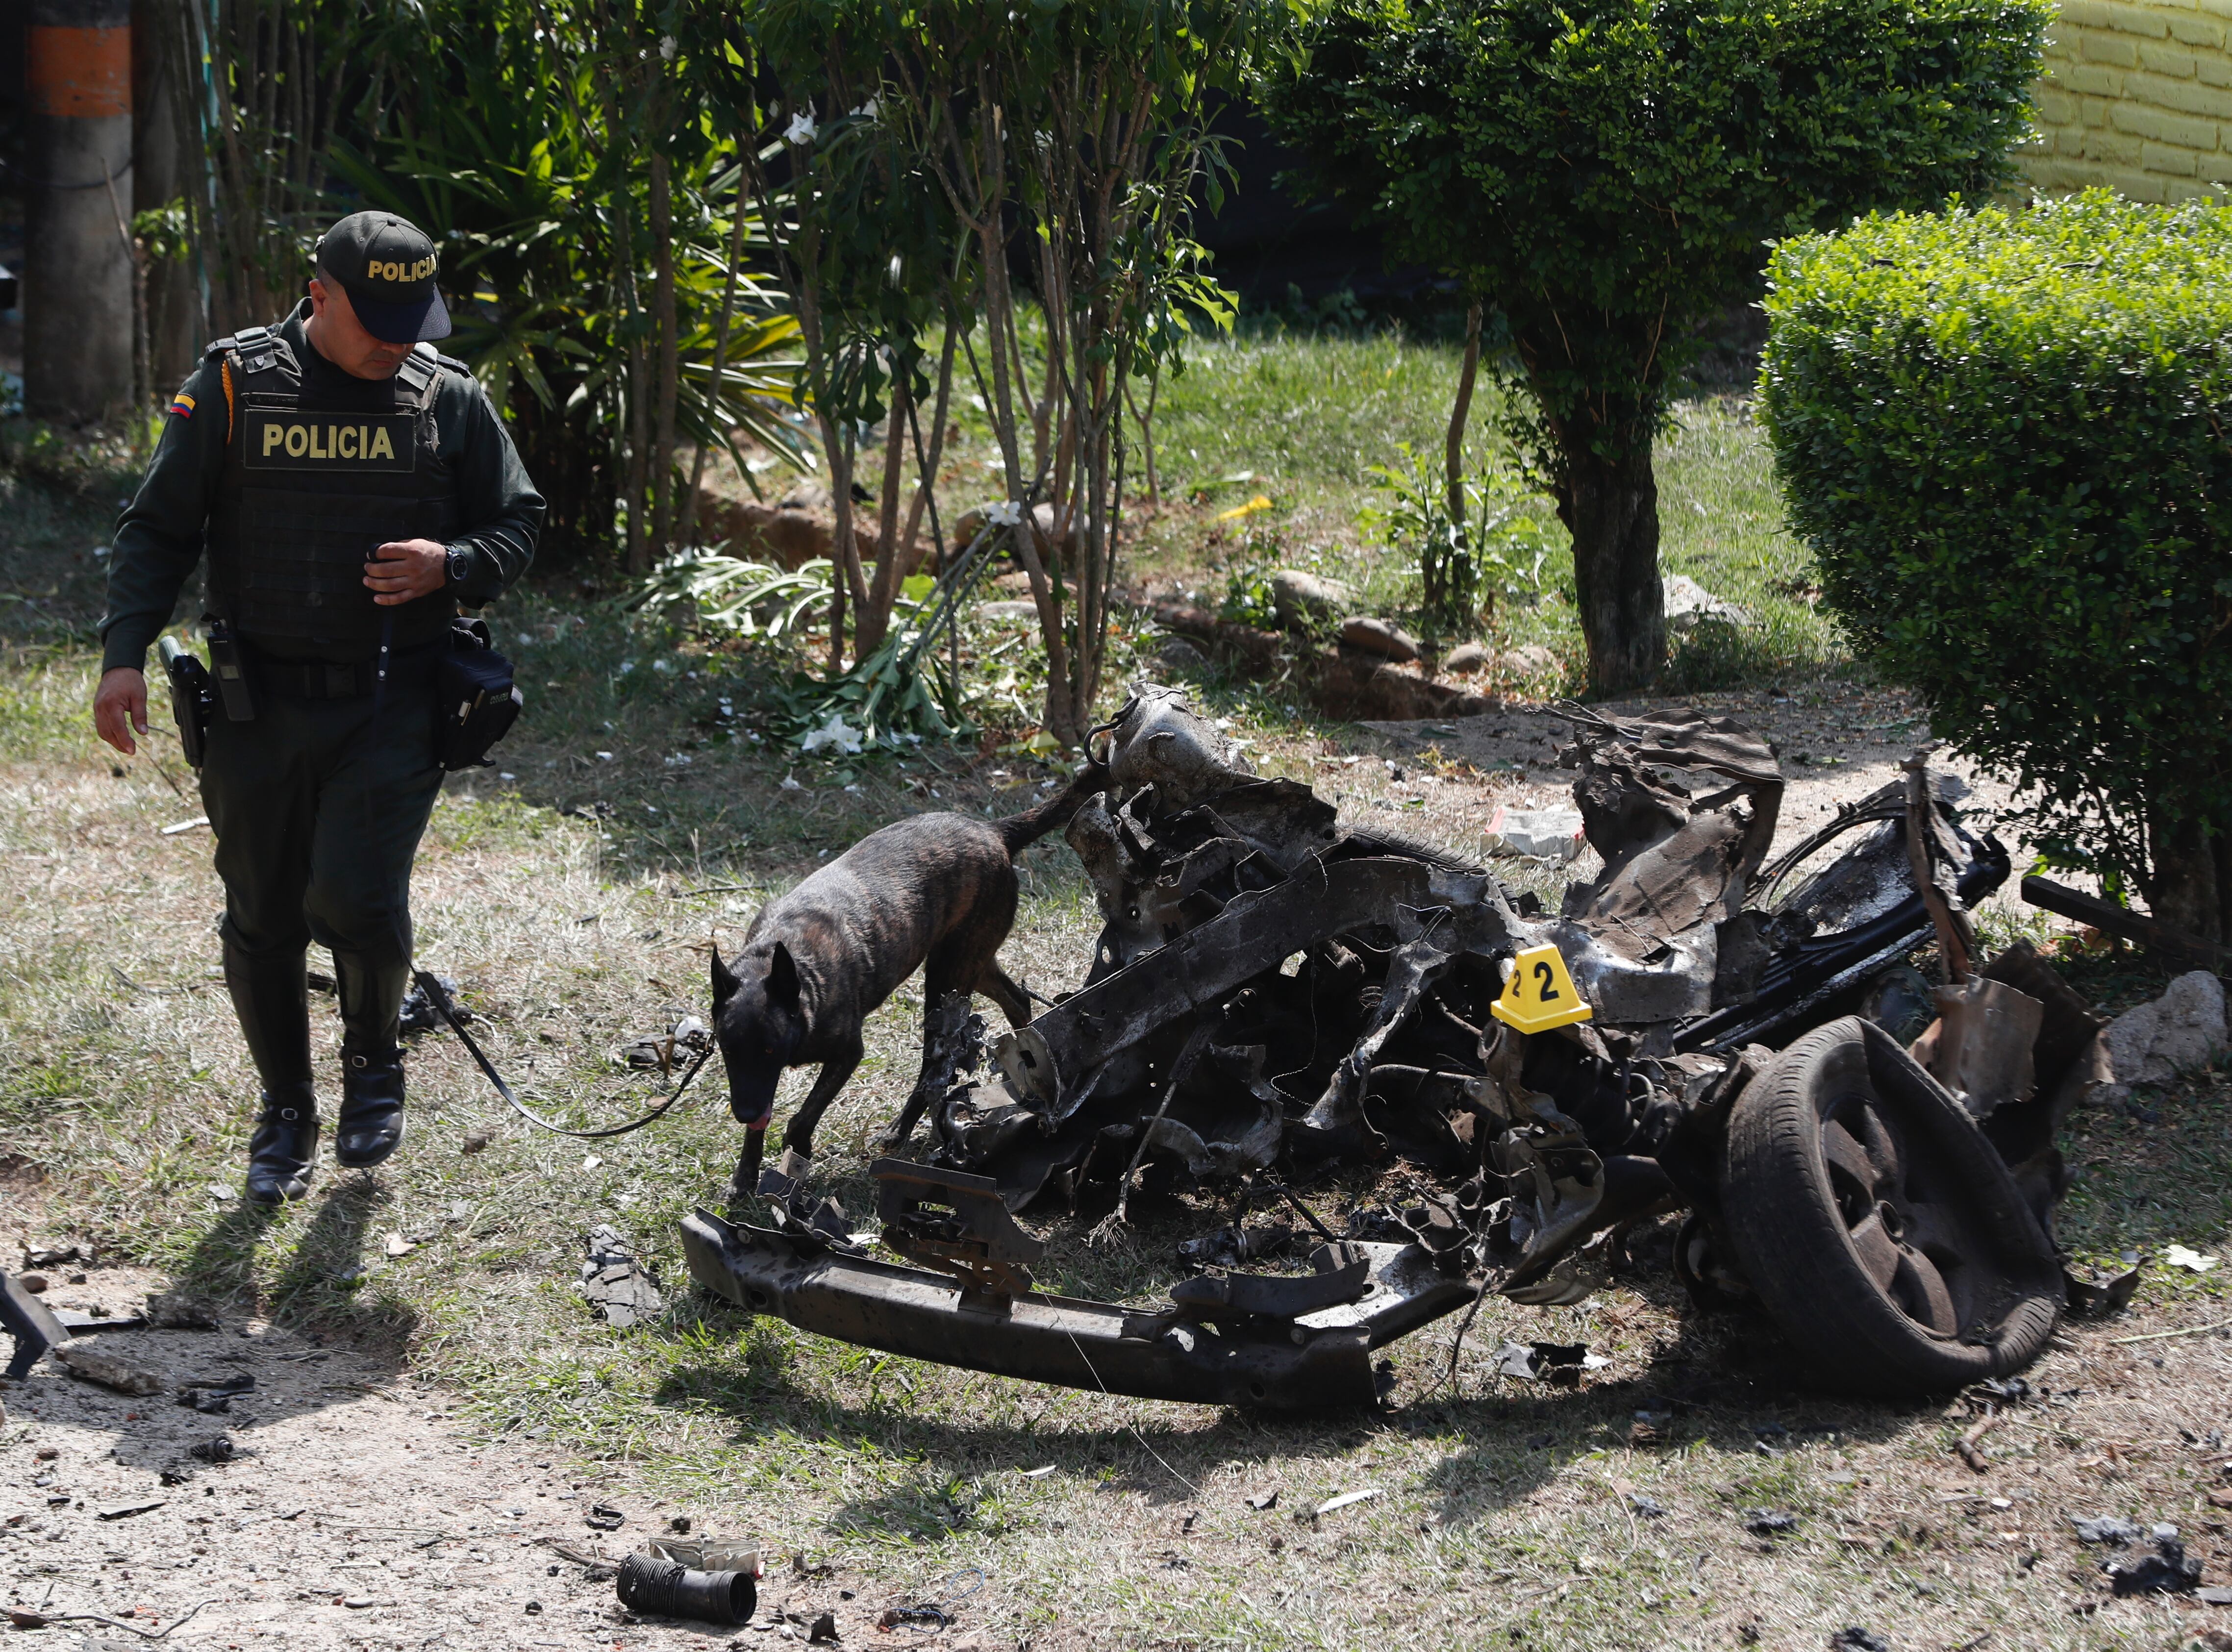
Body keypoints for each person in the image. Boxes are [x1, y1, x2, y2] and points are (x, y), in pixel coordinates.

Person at [91, 210, 544, 1204]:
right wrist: (124, 654)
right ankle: (285, 1108)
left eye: (413, 319)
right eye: (378, 318)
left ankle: (373, 1063)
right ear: (320, 294)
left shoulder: (448, 400)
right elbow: (158, 529)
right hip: (256, 703)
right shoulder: (233, 383)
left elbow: (520, 522)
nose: (399, 340)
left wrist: (452, 564)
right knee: (261, 911)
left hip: (391, 702)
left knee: (354, 896)